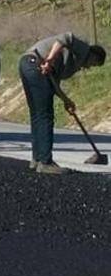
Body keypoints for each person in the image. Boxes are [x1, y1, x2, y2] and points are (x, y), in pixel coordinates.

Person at [19, 32, 106, 174]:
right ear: (93, 55)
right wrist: (50, 59)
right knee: (45, 116)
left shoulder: (72, 63)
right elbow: (66, 37)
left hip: (27, 64)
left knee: (37, 115)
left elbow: (53, 83)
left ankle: (37, 159)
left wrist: (66, 100)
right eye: (93, 64)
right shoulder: (83, 49)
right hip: (36, 62)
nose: (89, 67)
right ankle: (45, 162)